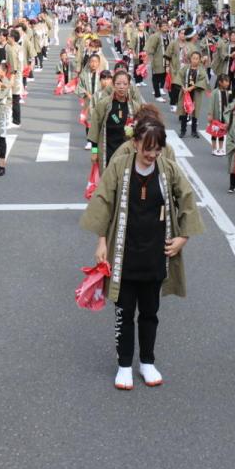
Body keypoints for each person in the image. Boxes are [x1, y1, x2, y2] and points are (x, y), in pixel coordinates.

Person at [79, 111, 203, 391]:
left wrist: (183, 237)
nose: (152, 154)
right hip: (123, 251)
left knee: (150, 311)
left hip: (156, 252)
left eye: (157, 148)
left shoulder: (168, 168)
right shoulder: (120, 166)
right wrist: (101, 241)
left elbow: (187, 198)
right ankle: (124, 364)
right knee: (124, 310)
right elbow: (103, 201)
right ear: (135, 143)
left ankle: (147, 361)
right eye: (148, 148)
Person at [88, 70, 142, 172]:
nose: (121, 87)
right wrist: (94, 152)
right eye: (118, 84)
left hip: (127, 150)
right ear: (113, 85)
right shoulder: (103, 105)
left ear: (129, 86)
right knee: (107, 182)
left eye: (125, 84)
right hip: (107, 149)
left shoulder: (135, 107)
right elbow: (95, 130)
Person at [177, 49, 208, 139]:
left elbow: (203, 80)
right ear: (190, 59)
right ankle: (183, 130)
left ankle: (194, 131)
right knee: (184, 111)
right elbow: (179, 76)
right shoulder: (185, 68)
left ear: (199, 60)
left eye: (197, 58)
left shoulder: (201, 70)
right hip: (185, 93)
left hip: (196, 93)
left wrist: (191, 88)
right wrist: (183, 87)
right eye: (193, 58)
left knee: (195, 112)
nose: (195, 60)